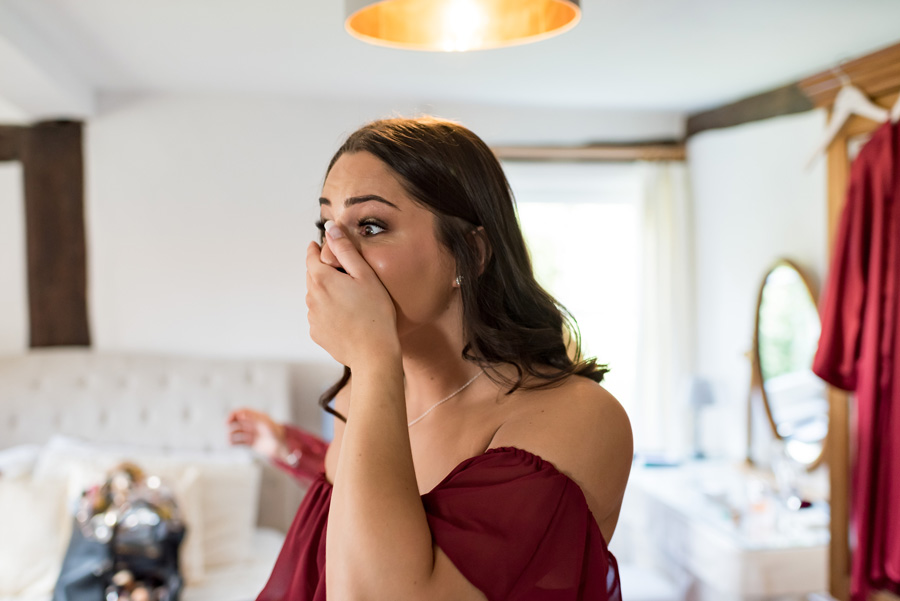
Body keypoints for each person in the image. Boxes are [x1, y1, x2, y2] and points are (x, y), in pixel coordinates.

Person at [228, 116, 633, 601]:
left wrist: (374, 360)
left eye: (370, 226)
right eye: (326, 226)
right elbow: (357, 513)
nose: (333, 256)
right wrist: (286, 448)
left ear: (470, 253)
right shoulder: (362, 393)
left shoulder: (579, 419)